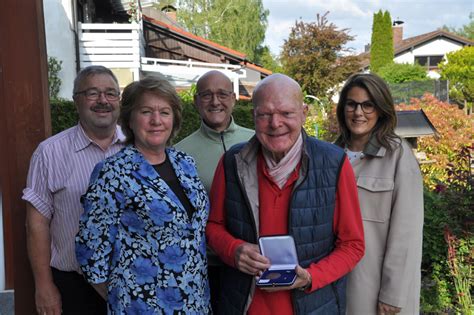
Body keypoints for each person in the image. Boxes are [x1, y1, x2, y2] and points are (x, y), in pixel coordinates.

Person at [206, 73, 365, 315]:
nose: (275, 123)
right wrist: (233, 249)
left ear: (304, 112)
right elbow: (213, 226)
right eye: (265, 114)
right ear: (253, 116)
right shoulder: (232, 162)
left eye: (286, 113)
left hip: (314, 307)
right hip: (244, 306)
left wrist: (311, 277)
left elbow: (353, 245)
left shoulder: (333, 163)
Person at [75, 76, 211, 314]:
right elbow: (91, 249)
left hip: (194, 301)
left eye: (165, 112)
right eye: (146, 111)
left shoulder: (185, 163)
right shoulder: (112, 172)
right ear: (129, 118)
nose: (156, 120)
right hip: (141, 306)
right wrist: (123, 296)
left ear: (174, 118)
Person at [23, 65, 124, 315]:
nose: (103, 101)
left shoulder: (139, 148)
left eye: (111, 93)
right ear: (76, 101)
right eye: (92, 93)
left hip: (132, 284)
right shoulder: (50, 153)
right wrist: (44, 286)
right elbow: (36, 225)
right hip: (74, 287)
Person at [335, 73, 424, 315]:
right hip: (335, 282)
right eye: (351, 104)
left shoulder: (398, 156)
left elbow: (407, 233)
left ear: (381, 109)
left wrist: (393, 293)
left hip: (376, 290)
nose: (358, 112)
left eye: (368, 105)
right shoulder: (331, 155)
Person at [175, 70, 254, 192]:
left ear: (233, 99)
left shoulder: (256, 141)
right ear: (196, 101)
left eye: (222, 94)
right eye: (207, 95)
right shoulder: (179, 154)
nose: (215, 102)